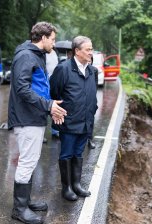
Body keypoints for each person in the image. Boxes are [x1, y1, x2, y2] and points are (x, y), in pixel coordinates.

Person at [8, 21, 67, 224]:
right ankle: (19, 209)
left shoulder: (36, 56)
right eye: (52, 38)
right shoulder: (26, 56)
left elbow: (39, 89)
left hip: (35, 116)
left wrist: (51, 108)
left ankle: (26, 201)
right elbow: (22, 89)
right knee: (26, 162)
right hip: (26, 119)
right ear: (43, 38)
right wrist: (49, 106)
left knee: (31, 161)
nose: (54, 42)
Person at [49, 36, 97, 201]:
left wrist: (92, 111)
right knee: (67, 154)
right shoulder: (63, 69)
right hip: (69, 121)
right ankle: (66, 188)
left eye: (92, 49)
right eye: (88, 49)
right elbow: (54, 93)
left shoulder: (92, 71)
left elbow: (92, 95)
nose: (91, 52)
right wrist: (61, 111)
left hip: (85, 121)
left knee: (79, 153)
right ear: (77, 51)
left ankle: (76, 184)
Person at [87, 56, 99, 149]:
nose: (88, 61)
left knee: (91, 120)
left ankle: (89, 139)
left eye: (90, 60)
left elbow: (95, 86)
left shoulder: (94, 70)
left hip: (91, 99)